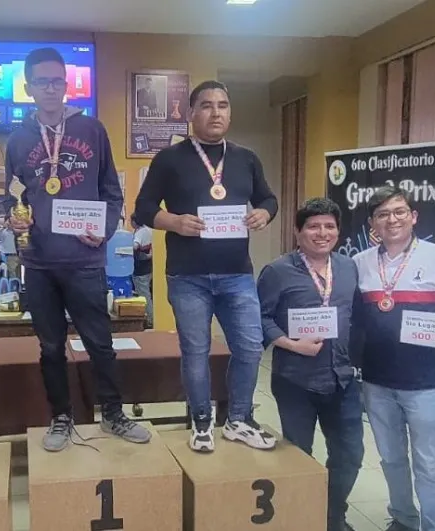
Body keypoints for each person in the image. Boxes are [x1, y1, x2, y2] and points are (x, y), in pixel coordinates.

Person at [3, 47, 151, 451]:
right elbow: (11, 195)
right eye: (41, 81)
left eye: (57, 81)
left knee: (100, 343)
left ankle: (114, 414)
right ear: (29, 87)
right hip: (39, 261)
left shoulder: (92, 130)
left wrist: (103, 231)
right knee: (50, 346)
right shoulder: (18, 139)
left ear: (66, 85)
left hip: (85, 259)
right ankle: (61, 417)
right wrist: (13, 217)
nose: (50, 88)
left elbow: (111, 193)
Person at [134, 80, 278, 452]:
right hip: (188, 276)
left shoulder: (246, 158)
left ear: (230, 112)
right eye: (207, 105)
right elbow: (143, 209)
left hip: (237, 274)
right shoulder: (170, 159)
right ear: (190, 113)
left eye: (223, 105)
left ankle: (239, 419)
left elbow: (268, 198)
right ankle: (201, 422)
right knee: (195, 353)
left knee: (249, 348)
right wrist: (175, 222)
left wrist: (264, 212)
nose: (217, 112)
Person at [354, 186, 435, 531]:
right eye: (383, 214)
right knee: (391, 459)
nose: (392, 219)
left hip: (427, 384)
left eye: (399, 212)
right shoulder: (360, 264)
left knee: (430, 466)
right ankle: (402, 519)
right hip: (377, 381)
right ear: (373, 225)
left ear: (413, 217)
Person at [256, 198, 363, 531]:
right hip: (295, 381)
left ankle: (331, 514)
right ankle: (302, 516)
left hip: (342, 379)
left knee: (349, 455)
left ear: (338, 231)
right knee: (299, 455)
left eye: (329, 226)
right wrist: (290, 343)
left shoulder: (348, 267)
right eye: (313, 226)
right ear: (297, 231)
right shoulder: (277, 271)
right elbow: (257, 317)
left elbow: (356, 316)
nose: (322, 233)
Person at [131, 214, 154, 328]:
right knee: (147, 293)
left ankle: (149, 319)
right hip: (149, 266)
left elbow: (135, 246)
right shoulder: (149, 230)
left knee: (143, 294)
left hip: (141, 268)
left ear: (135, 222)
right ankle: (150, 318)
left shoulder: (140, 232)